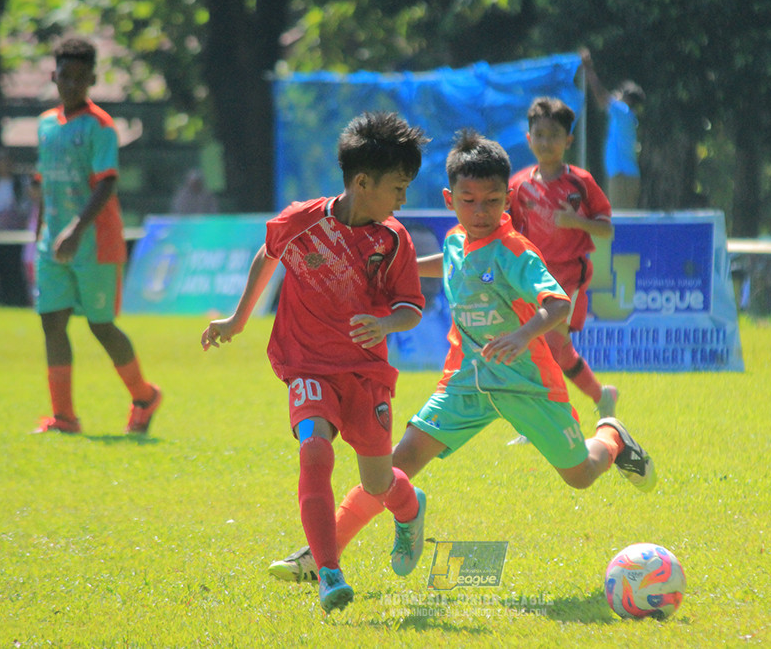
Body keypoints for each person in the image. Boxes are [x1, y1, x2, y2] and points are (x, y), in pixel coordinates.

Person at [266, 130, 656, 585]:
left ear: (508, 199)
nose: (481, 210)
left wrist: (522, 334)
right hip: (465, 382)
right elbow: (446, 263)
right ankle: (320, 554)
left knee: (581, 475)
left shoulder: (517, 252)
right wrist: (391, 272)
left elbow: (558, 305)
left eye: (492, 200)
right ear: (451, 199)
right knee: (395, 464)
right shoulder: (454, 241)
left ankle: (611, 437)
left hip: (526, 383)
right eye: (469, 200)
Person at [200, 111, 430, 614]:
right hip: (307, 366)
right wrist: (239, 320)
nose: (403, 200)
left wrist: (385, 325)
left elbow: (411, 307)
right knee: (314, 453)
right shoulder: (301, 220)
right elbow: (269, 254)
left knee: (377, 482)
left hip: (366, 375)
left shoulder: (394, 240)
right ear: (362, 182)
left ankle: (409, 510)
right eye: (398, 187)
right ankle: (328, 572)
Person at [32, 37, 162, 436]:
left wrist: (75, 229)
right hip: (53, 243)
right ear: (54, 76)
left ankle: (144, 396)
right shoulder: (45, 124)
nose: (70, 83)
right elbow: (44, 183)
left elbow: (106, 185)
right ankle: (64, 417)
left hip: (95, 243)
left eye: (79, 77)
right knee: (52, 322)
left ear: (92, 78)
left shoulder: (101, 127)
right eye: (63, 76)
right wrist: (40, 230)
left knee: (100, 325)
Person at [508, 97, 618, 433]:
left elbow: (607, 229)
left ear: (568, 141)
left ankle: (546, 424)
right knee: (561, 352)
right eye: (538, 134)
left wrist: (578, 222)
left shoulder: (581, 182)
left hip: (570, 275)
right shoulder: (518, 185)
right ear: (528, 138)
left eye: (553, 135)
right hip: (534, 277)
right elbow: (508, 229)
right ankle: (602, 395)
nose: (545, 142)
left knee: (551, 347)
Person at [580, 48, 645, 210]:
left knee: (620, 221)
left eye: (620, 93)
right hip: (626, 176)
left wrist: (588, 69)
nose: (616, 94)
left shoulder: (623, 112)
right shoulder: (626, 117)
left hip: (622, 177)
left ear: (628, 98)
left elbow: (602, 97)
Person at [0, 149, 32, 306]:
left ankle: (19, 300)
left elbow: (27, 206)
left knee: (16, 269)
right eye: (0, 161)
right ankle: (4, 299)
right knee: (0, 268)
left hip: (16, 235)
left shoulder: (20, 183)